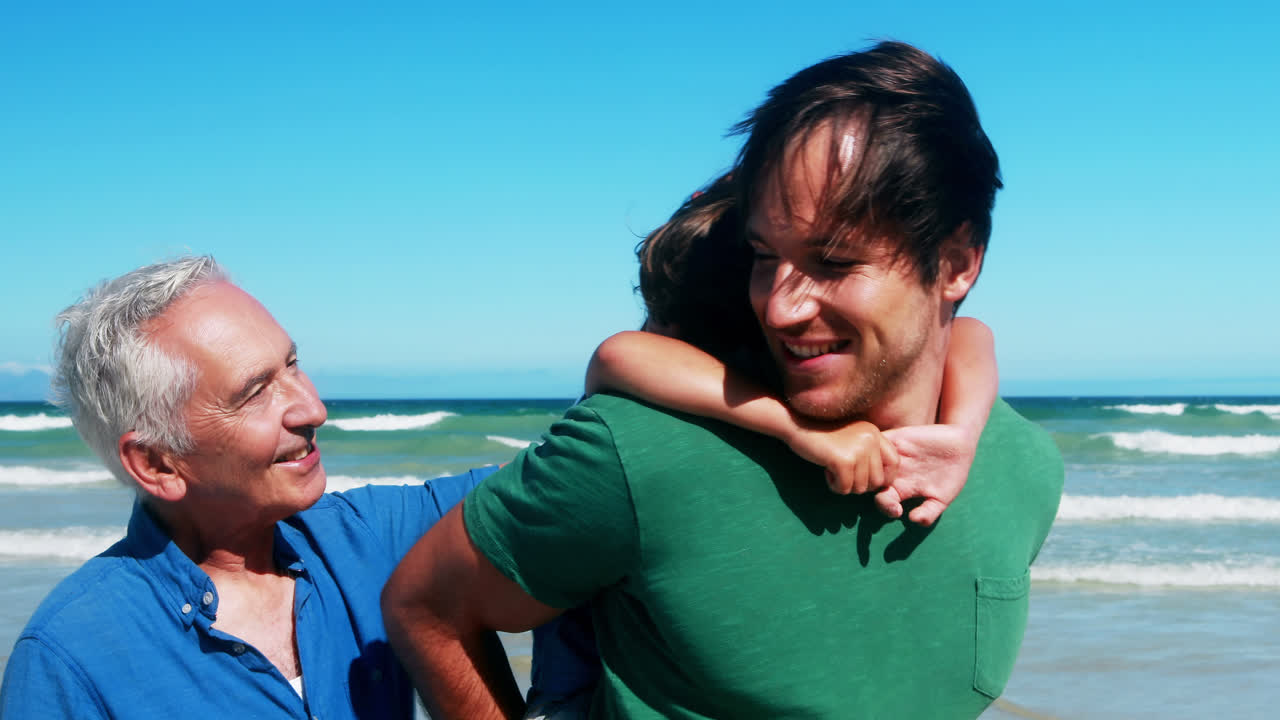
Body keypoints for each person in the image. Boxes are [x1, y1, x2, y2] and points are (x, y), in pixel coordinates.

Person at [382, 40, 1064, 719]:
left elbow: (971, 338)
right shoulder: (640, 454)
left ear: (955, 265)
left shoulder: (1024, 467)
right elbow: (426, 606)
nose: (780, 306)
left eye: (832, 260)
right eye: (766, 256)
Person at [0, 257, 498, 718]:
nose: (313, 409)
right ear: (157, 463)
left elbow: (559, 484)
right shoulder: (68, 663)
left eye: (293, 364)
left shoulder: (369, 538)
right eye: (255, 392)